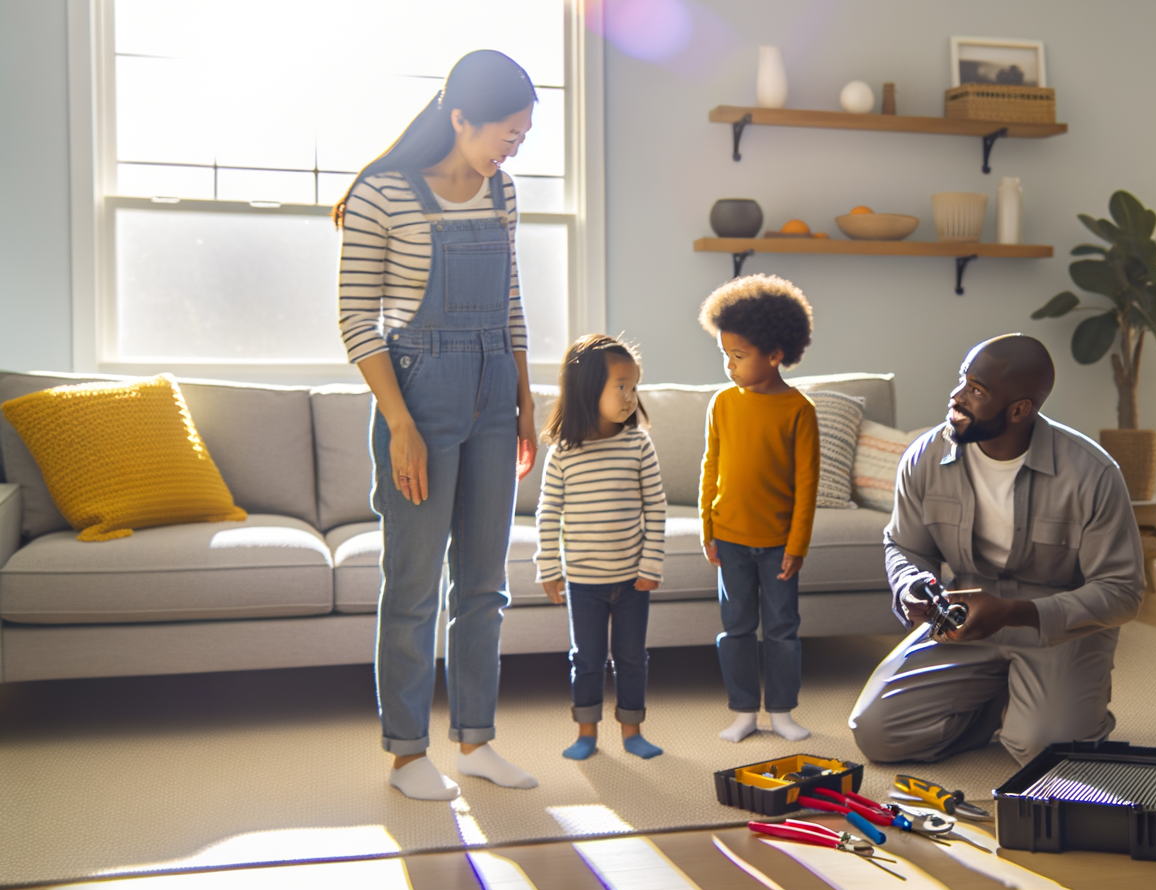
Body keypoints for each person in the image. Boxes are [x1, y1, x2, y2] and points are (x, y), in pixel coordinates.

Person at [335, 50, 542, 801]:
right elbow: (357, 319)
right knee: (415, 584)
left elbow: (512, 303)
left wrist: (525, 399)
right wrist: (401, 423)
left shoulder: (503, 193)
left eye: (522, 136)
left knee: (485, 582)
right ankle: (406, 753)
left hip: (494, 387)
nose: (512, 148)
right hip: (419, 392)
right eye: (506, 133)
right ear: (461, 118)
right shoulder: (382, 194)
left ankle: (478, 741)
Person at [850, 334, 1145, 767]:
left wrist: (1014, 612)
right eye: (961, 381)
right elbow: (903, 545)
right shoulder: (924, 458)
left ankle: (1062, 711)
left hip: (1058, 629)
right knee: (877, 734)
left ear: (1019, 409)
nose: (956, 396)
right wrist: (910, 583)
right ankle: (1000, 704)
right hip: (966, 624)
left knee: (1044, 754)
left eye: (976, 390)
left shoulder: (1092, 472)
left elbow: (1122, 592)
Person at [696, 275, 821, 743]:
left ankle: (783, 711)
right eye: (725, 355)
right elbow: (712, 466)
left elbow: (807, 484)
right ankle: (744, 711)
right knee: (736, 629)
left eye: (739, 356)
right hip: (729, 538)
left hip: (777, 546)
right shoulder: (723, 403)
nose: (730, 366)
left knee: (783, 629)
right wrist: (707, 528)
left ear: (775, 354)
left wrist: (797, 544)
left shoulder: (799, 410)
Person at [536, 334, 668, 762]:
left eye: (635, 386)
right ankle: (586, 732)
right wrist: (549, 568)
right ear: (587, 388)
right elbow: (548, 514)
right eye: (621, 386)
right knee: (587, 659)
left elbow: (657, 508)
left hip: (632, 580)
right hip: (584, 583)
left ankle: (632, 731)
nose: (631, 397)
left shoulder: (638, 445)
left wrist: (651, 564)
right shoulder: (563, 454)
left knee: (632, 658)